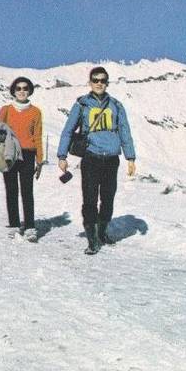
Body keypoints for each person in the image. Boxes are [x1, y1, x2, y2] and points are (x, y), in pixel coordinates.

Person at [57, 67, 136, 255]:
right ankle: (92, 239)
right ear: (90, 82)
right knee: (90, 199)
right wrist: (62, 156)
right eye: (95, 80)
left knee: (108, 198)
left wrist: (130, 157)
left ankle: (102, 232)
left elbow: (124, 131)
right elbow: (68, 130)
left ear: (107, 83)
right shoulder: (82, 105)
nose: (99, 83)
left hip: (111, 159)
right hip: (91, 158)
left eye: (102, 80)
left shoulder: (116, 105)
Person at [0, 76, 44, 240]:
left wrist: (40, 159)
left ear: (30, 90)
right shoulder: (6, 110)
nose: (22, 91)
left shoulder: (35, 112)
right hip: (9, 153)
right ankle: (15, 225)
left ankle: (30, 226)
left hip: (28, 154)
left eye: (25, 88)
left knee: (27, 191)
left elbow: (37, 136)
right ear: (13, 91)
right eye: (18, 88)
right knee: (11, 190)